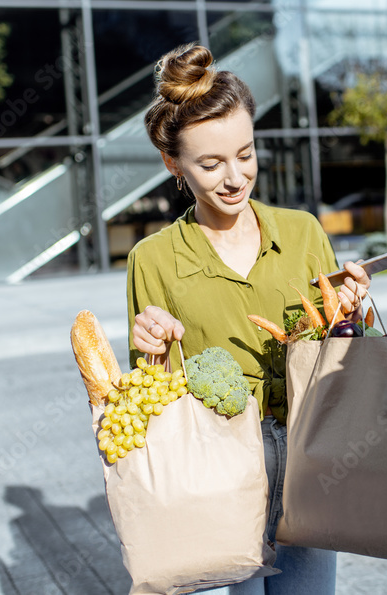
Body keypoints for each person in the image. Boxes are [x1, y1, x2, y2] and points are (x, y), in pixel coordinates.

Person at [128, 43, 370, 594]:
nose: (235, 177)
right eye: (211, 164)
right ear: (174, 165)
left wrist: (348, 312)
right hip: (215, 468)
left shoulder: (304, 232)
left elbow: (335, 352)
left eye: (246, 154)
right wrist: (152, 347)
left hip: (308, 454)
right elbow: (150, 392)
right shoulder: (154, 258)